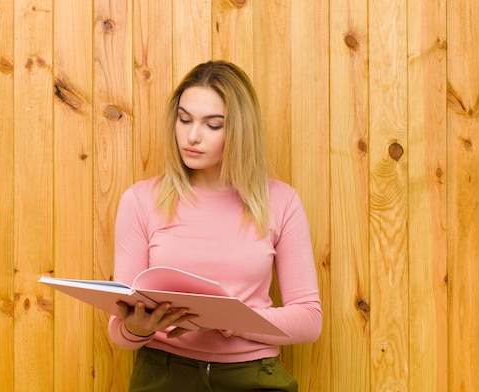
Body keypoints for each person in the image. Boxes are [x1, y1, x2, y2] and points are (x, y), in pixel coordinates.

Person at [108, 60, 322, 391]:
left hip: (253, 376)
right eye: (184, 119)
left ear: (239, 129)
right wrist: (137, 328)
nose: (192, 136)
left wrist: (228, 320)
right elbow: (120, 331)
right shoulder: (141, 200)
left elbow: (309, 321)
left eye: (213, 125)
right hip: (164, 373)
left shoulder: (281, 202)